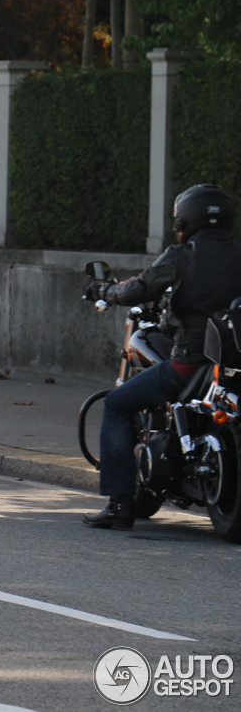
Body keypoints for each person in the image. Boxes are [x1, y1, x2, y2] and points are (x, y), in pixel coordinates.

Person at [83, 184, 241, 530]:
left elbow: (137, 289)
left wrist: (105, 291)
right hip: (233, 363)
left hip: (190, 362)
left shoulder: (180, 255)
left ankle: (119, 504)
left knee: (118, 405)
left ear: (185, 220)